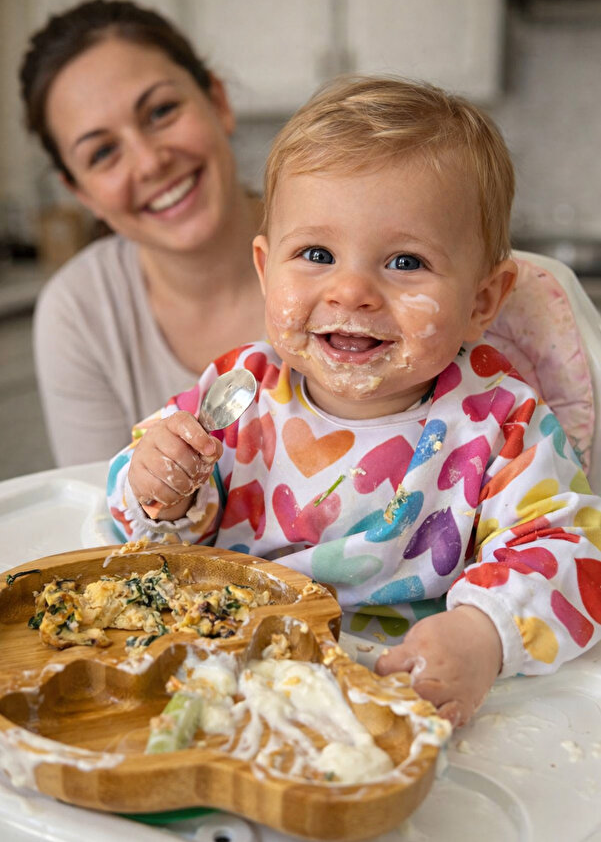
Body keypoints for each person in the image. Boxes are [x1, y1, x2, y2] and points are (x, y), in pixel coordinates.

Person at [107, 76, 601, 727]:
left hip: (412, 696)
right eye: (316, 253)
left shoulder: (502, 424)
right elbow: (142, 532)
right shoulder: (236, 394)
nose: (350, 290)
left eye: (403, 262)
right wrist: (157, 487)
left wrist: (485, 634)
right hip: (233, 679)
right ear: (265, 270)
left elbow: (569, 555)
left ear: (481, 301)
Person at [20, 0, 265, 466]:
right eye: (102, 152)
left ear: (218, 102)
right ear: (81, 192)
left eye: (161, 111)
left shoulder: (349, 248)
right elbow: (105, 519)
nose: (150, 162)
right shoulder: (78, 312)